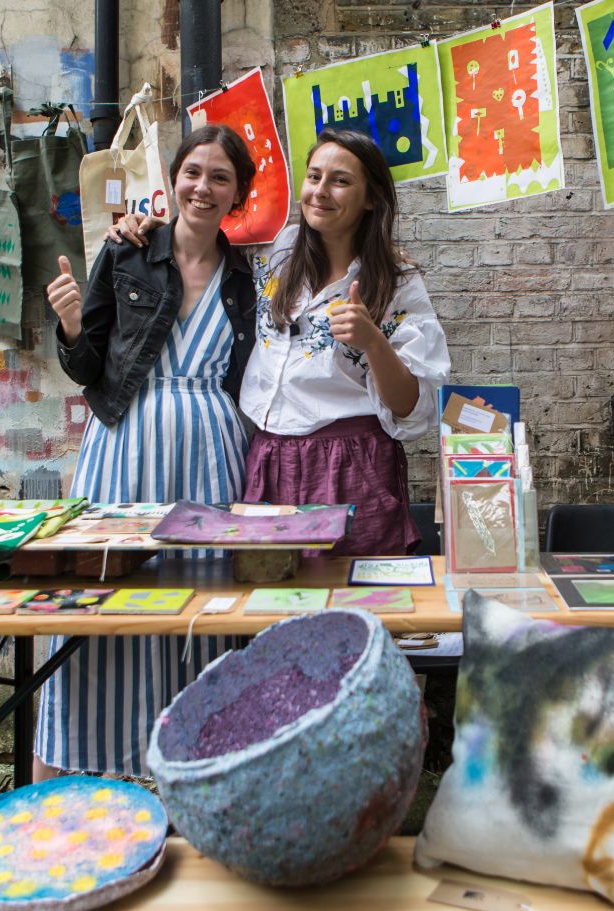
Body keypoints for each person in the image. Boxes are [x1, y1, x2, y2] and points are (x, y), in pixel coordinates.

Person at [108, 128, 450, 555]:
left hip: (350, 462)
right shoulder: (274, 252)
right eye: (314, 177)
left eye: (340, 181)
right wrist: (150, 227)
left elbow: (414, 410)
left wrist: (374, 343)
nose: (321, 191)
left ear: (371, 198)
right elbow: (198, 239)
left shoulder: (396, 284)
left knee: (355, 597)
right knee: (269, 597)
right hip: (267, 456)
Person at [35, 123, 257, 779]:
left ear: (237, 192)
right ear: (173, 178)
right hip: (124, 453)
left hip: (211, 463)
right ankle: (94, 769)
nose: (203, 187)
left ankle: (196, 766)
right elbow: (87, 364)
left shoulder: (247, 277)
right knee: (107, 598)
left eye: (220, 176)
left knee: (205, 608)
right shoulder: (127, 251)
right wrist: (71, 322)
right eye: (193, 171)